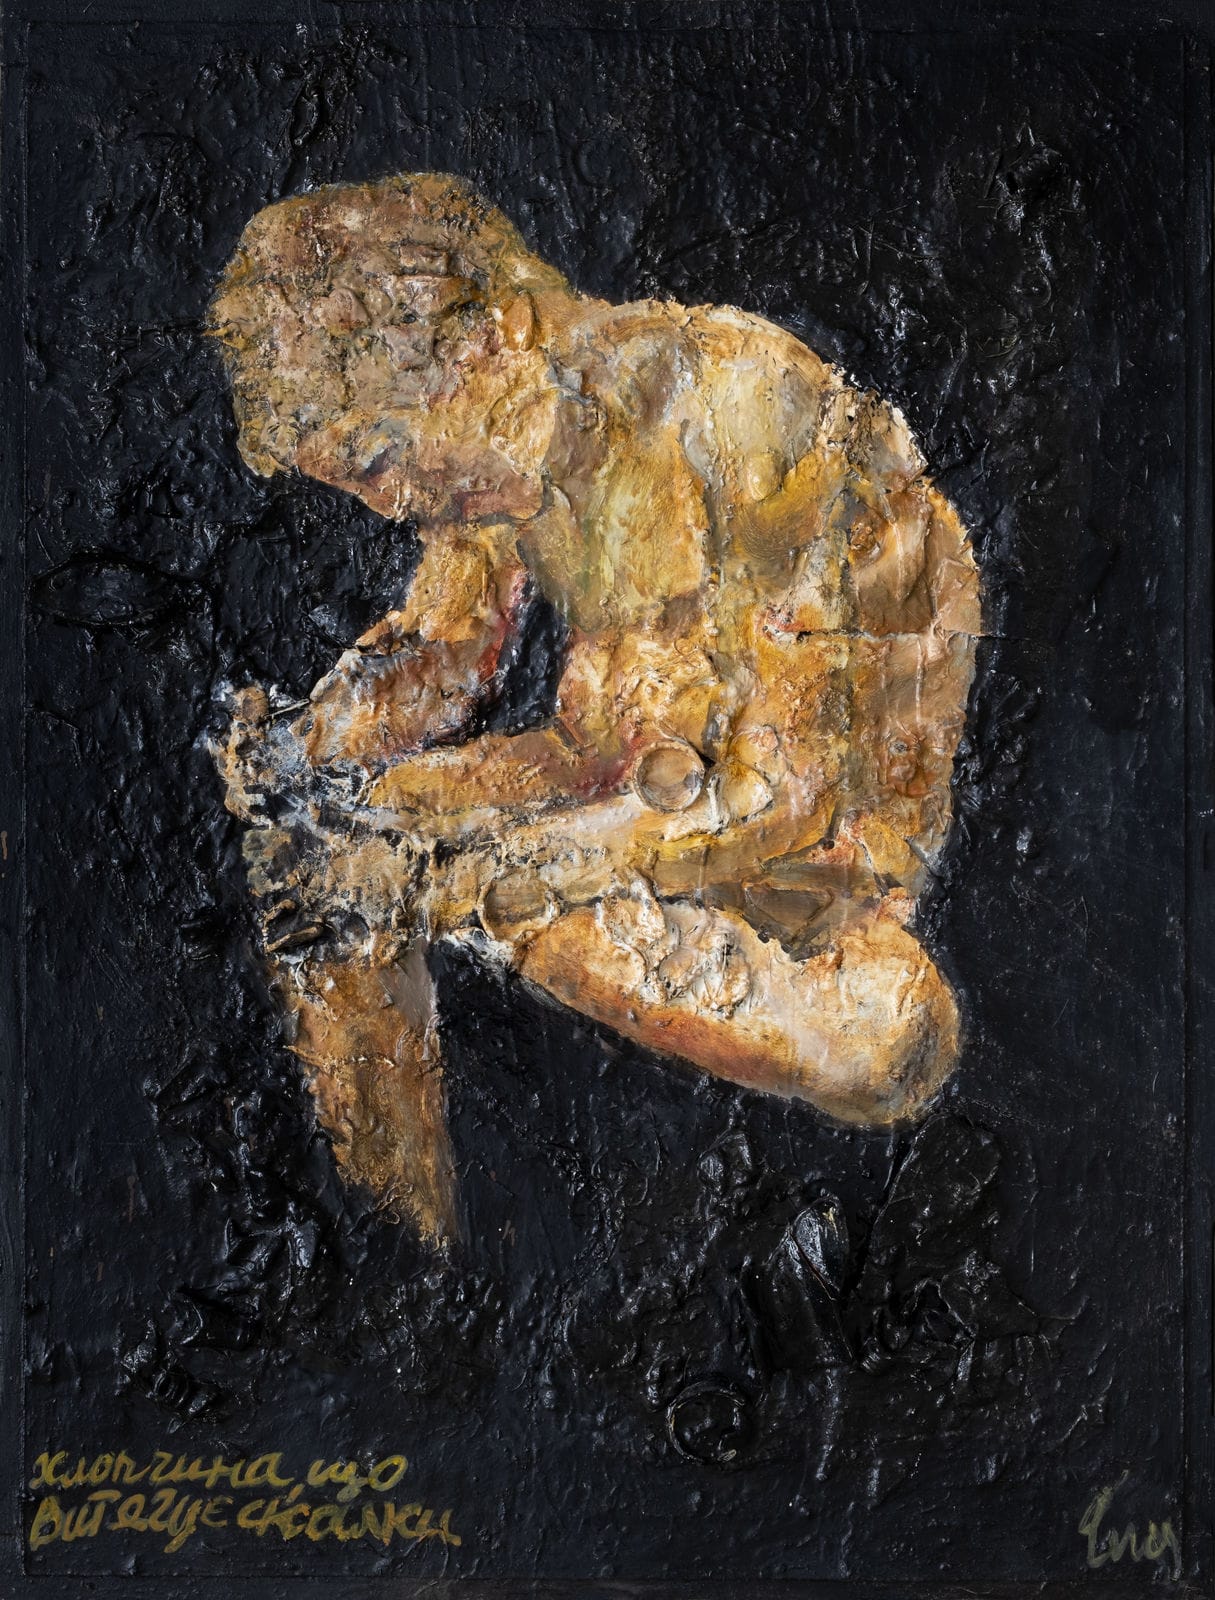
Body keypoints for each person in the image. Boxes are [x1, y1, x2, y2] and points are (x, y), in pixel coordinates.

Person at [208, 172, 982, 1242]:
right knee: (323, 849)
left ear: (493, 337)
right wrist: (303, 748)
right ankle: (399, 1241)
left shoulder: (741, 413)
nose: (393, 505)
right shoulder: (501, 441)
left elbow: (777, 795)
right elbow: (447, 650)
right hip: (623, 788)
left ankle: (414, 1238)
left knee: (886, 1035)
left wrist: (450, 875)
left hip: (808, 865)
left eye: (382, 460)